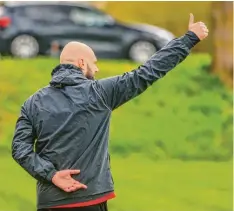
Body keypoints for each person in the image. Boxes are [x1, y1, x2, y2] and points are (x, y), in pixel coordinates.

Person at [11, 14, 208, 211]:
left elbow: (20, 149)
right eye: (94, 62)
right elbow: (148, 71)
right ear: (81, 63)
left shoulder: (32, 103)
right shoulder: (101, 93)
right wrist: (190, 38)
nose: (96, 69)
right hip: (90, 199)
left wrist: (52, 175)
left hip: (49, 203)